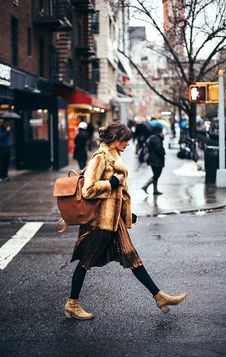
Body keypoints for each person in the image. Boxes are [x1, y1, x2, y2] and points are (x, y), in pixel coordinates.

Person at [64, 122, 187, 320]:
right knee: (85, 262)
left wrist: (127, 215)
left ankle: (159, 296)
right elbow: (88, 190)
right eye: (125, 140)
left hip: (114, 221)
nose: (128, 143)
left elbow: (118, 196)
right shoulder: (100, 158)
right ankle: (72, 304)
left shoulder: (114, 157)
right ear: (114, 139)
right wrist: (111, 182)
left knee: (133, 258)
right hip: (99, 222)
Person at [141, 125, 165, 195]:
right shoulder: (156, 138)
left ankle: (155, 190)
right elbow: (159, 149)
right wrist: (163, 152)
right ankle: (145, 186)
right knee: (156, 175)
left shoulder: (153, 137)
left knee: (155, 175)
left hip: (153, 160)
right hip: (156, 160)